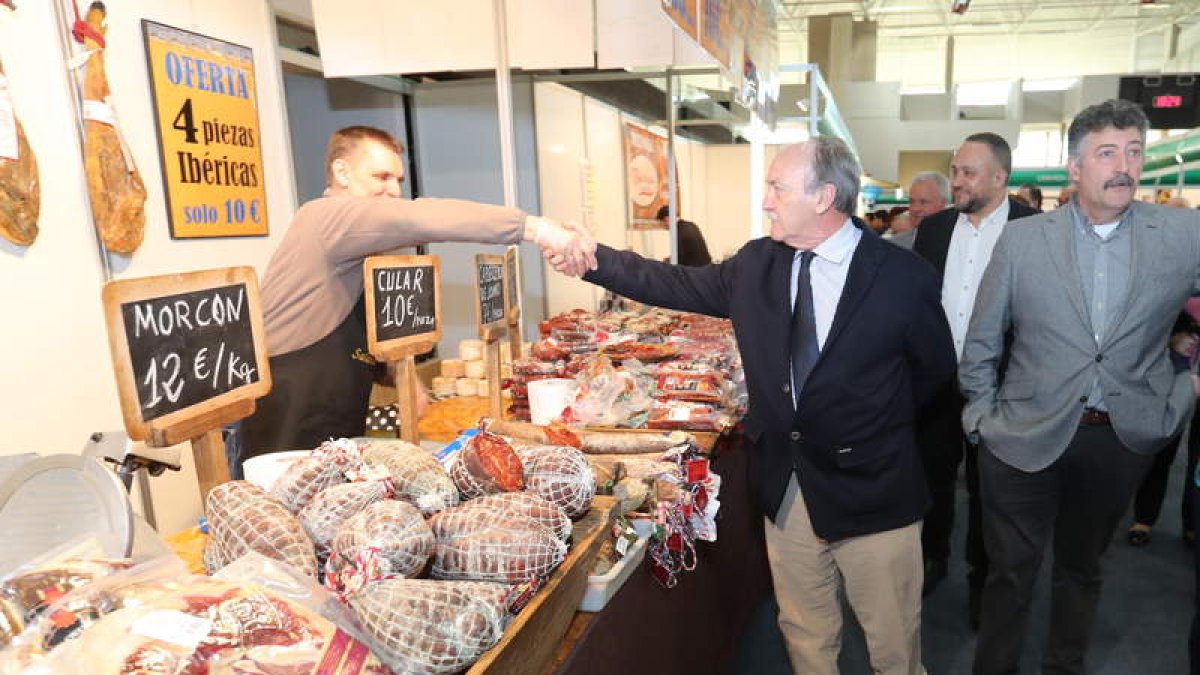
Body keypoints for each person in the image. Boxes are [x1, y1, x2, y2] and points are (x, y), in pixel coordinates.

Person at [556, 138, 956, 674]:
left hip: (874, 494)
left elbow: (934, 375)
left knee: (893, 648)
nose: (766, 200)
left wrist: (866, 427)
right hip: (788, 492)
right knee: (805, 635)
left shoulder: (903, 277)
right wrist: (593, 259)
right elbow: (670, 281)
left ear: (824, 197)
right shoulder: (757, 264)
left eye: (777, 187)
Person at [960, 99, 1200, 675]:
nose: (1125, 166)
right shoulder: (1022, 241)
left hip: (1118, 438)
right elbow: (982, 341)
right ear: (1074, 167)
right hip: (1019, 435)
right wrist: (981, 419)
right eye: (1107, 153)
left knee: (1082, 568)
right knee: (1010, 572)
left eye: (1134, 151)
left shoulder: (1181, 234)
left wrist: (1186, 389)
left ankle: (1064, 667)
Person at [238, 126, 594, 468]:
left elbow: (357, 328)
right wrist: (534, 227)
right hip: (289, 415)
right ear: (341, 172)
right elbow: (421, 216)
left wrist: (404, 378)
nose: (393, 190)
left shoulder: (363, 242)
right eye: (381, 177)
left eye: (398, 180)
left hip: (334, 414)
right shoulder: (325, 216)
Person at [909, 133, 1039, 619]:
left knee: (993, 492)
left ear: (1000, 178)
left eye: (968, 172)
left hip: (1002, 387)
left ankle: (983, 577)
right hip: (937, 382)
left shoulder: (1033, 228)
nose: (957, 180)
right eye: (955, 169)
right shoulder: (937, 228)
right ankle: (932, 556)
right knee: (931, 478)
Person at [1126, 312, 1199, 547]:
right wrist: (1173, 338)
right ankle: (1144, 518)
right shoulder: (1182, 281)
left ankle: (1193, 523)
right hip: (1174, 373)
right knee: (1161, 450)